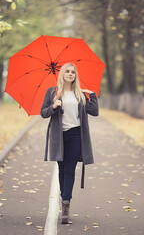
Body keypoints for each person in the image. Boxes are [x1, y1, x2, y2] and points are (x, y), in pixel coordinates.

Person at [40, 62, 99, 224]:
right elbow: (43, 113)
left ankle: (66, 203)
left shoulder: (79, 94)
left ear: (75, 76)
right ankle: (64, 197)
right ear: (62, 74)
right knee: (61, 167)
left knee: (70, 168)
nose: (70, 74)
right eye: (67, 71)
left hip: (75, 135)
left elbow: (94, 112)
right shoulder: (52, 92)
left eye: (73, 72)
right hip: (59, 136)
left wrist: (92, 95)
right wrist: (53, 106)